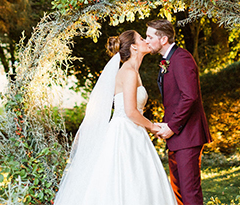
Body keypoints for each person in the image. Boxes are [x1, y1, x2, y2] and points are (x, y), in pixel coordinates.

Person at [54, 30, 176, 205]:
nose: (146, 41)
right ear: (134, 47)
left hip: (133, 130)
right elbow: (131, 111)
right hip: (125, 132)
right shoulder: (128, 72)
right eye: (142, 39)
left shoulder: (133, 71)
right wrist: (154, 127)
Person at [145, 19, 211, 205]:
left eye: (150, 36)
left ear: (163, 39)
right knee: (179, 191)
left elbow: (190, 97)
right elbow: (175, 100)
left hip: (187, 135)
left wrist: (172, 126)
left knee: (189, 192)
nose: (146, 40)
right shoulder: (168, 59)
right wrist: (166, 126)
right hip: (177, 136)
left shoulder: (181, 58)